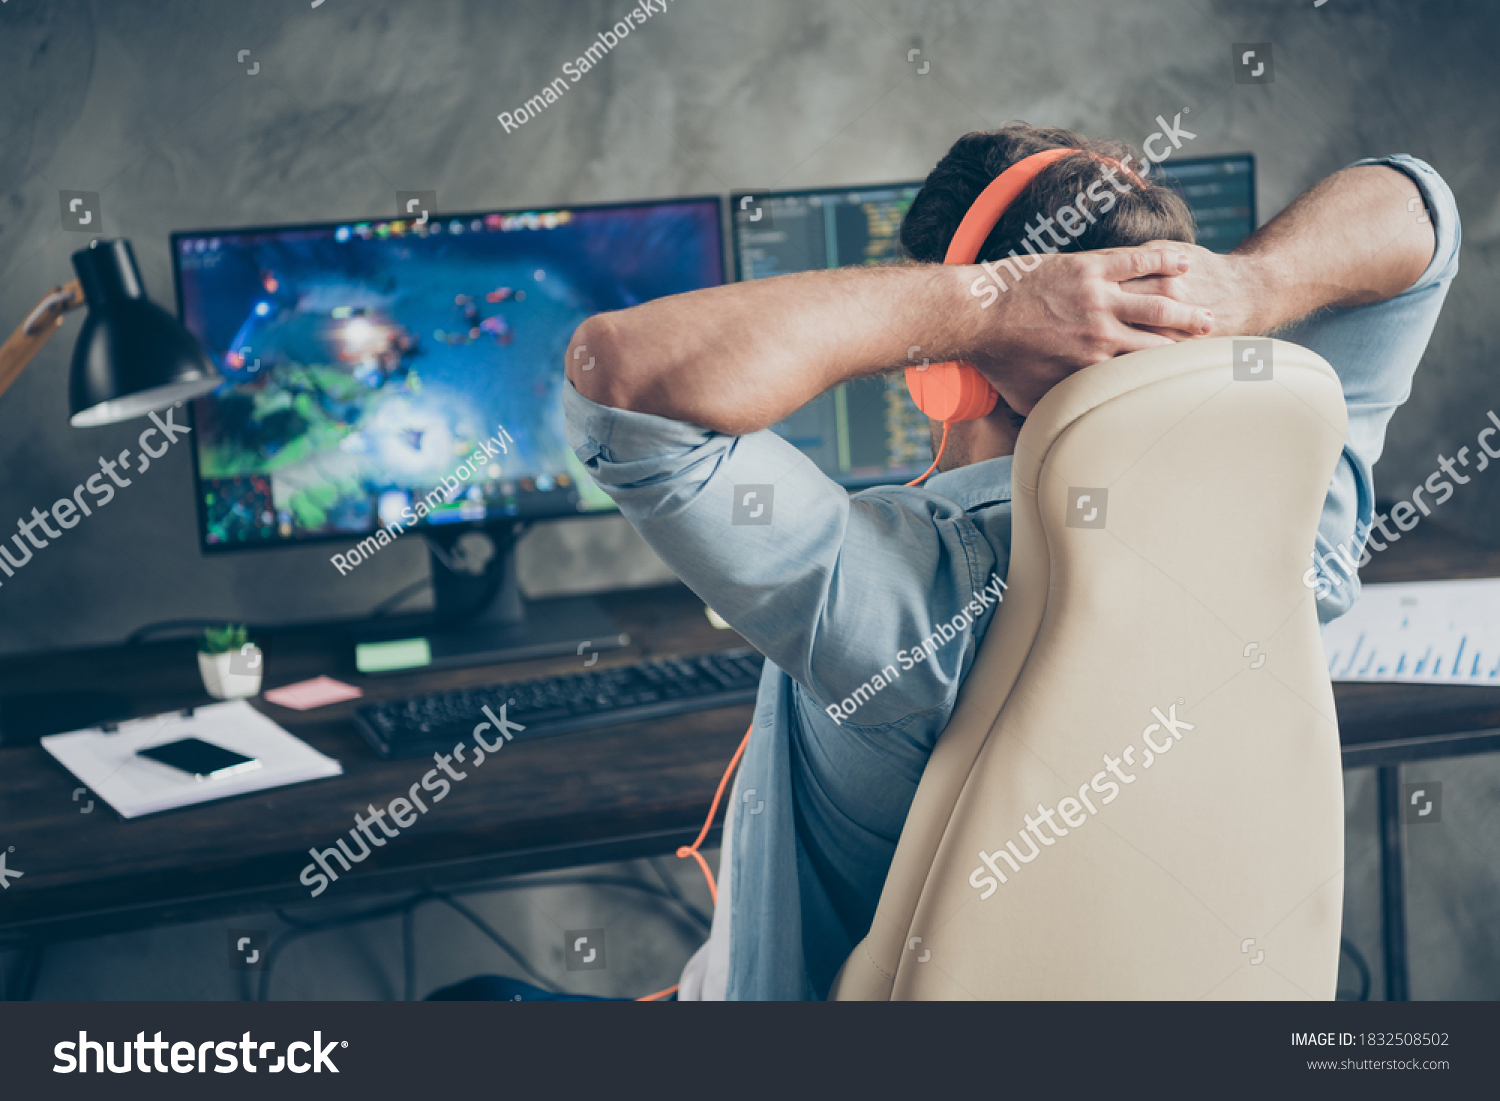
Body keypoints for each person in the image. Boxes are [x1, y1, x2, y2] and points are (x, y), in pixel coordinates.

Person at [561, 124, 1460, 1000]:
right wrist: (1252, 286)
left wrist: (983, 308)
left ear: (941, 374)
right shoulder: (1296, 525)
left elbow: (621, 374)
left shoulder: (908, 594)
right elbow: (1424, 217)